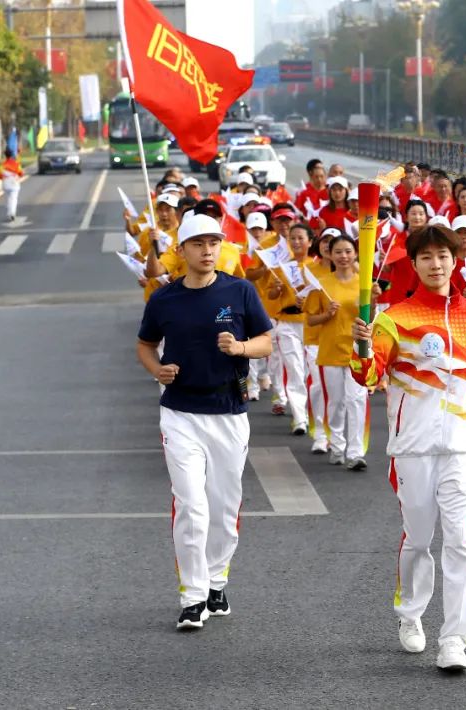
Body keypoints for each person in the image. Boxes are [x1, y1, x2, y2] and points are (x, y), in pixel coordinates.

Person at [350, 225, 466, 672]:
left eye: (443, 256)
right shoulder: (392, 318)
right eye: (426, 257)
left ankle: (454, 640)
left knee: (460, 539)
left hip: (461, 444)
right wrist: (361, 348)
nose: (436, 264)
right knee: (419, 538)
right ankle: (410, 613)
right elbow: (366, 377)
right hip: (413, 447)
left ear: (455, 260)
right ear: (414, 264)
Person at [135, 213, 274, 630]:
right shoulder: (164, 299)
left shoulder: (240, 290)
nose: (208, 250)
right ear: (182, 251)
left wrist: (242, 348)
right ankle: (193, 596)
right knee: (191, 505)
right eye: (198, 244)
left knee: (224, 505)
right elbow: (144, 344)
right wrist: (155, 369)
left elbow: (267, 340)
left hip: (228, 411)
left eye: (214, 242)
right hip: (180, 412)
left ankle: (217, 581)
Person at [306, 234, 369, 469]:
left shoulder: (364, 282)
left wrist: (372, 300)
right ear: (330, 255)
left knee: (357, 399)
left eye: (348, 251)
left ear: (355, 254)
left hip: (357, 349)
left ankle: (355, 451)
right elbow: (311, 320)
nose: (344, 256)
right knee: (336, 401)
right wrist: (328, 314)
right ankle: (337, 444)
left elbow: (371, 319)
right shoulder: (321, 283)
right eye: (338, 252)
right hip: (330, 349)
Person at [264, 223, 313, 435]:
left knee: (310, 370)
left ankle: (313, 413)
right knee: (294, 369)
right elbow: (271, 295)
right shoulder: (282, 267)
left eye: (301, 238)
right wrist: (276, 289)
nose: (296, 242)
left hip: (311, 324)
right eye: (292, 238)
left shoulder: (317, 267)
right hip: (286, 323)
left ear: (310, 241)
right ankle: (299, 418)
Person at [303, 227, 336, 453]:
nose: (327, 245)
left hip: (341, 340)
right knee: (318, 386)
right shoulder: (308, 270)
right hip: (316, 338)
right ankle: (321, 435)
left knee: (339, 394)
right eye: (325, 241)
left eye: (333, 242)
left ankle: (338, 435)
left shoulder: (352, 272)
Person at [0, 149, 24, 223]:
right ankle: (12, 213)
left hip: (5, 184)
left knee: (9, 198)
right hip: (14, 183)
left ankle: (9, 213)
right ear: (12, 155)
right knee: (13, 198)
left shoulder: (2, 165)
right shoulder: (16, 164)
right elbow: (21, 173)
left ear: (5, 155)